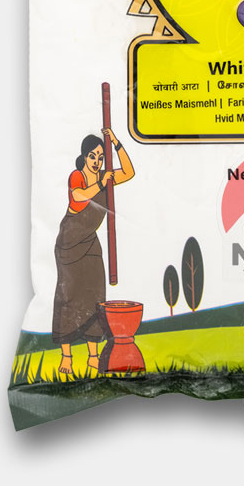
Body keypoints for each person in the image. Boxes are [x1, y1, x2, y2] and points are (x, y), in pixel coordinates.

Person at [54, 128, 135, 375]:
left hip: (90, 242)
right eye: (93, 156)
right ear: (84, 156)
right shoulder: (77, 176)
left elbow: (129, 172)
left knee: (95, 296)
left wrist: (116, 143)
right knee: (69, 296)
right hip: (69, 241)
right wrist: (101, 181)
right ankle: (66, 357)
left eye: (100, 157)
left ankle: (93, 356)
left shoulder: (105, 176)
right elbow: (78, 198)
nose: (97, 161)